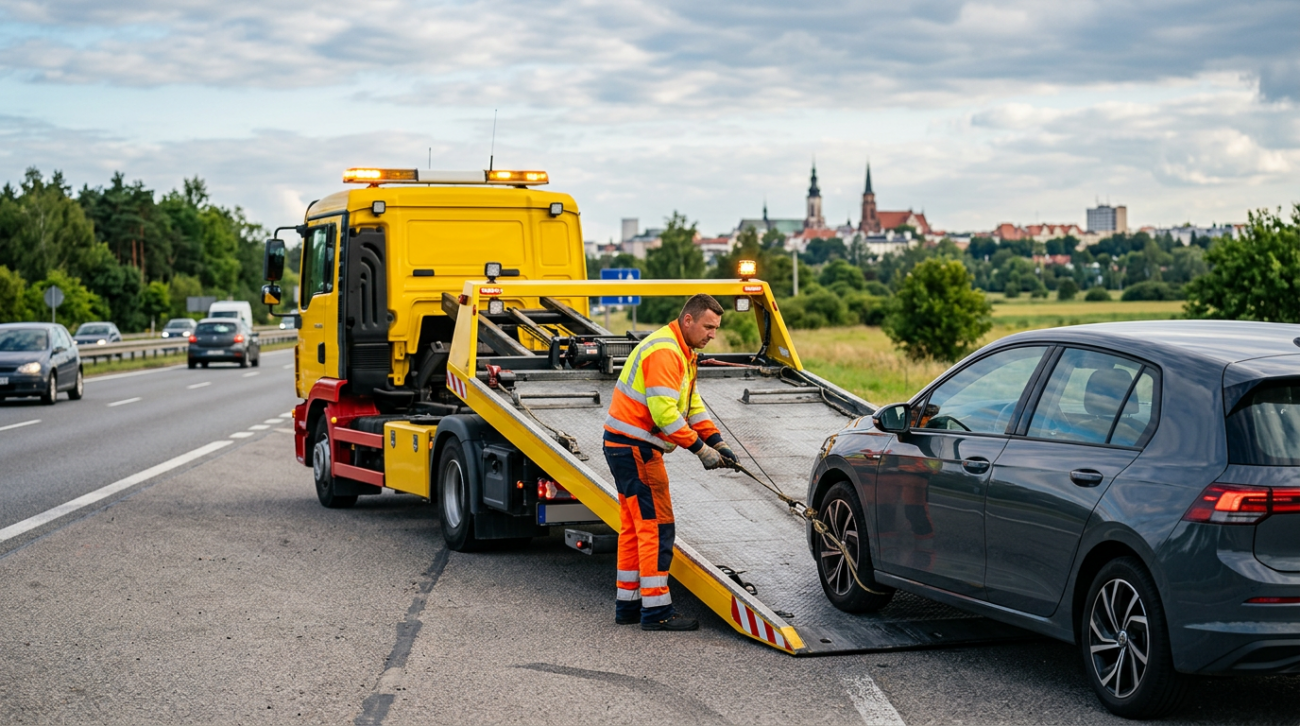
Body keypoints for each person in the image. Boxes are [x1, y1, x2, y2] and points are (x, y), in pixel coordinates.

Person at [603, 294, 738, 631]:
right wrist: (700, 449)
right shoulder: (666, 352)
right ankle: (656, 611)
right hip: (636, 449)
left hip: (624, 447)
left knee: (635, 529)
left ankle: (629, 606)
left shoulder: (684, 352)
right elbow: (665, 413)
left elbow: (691, 406)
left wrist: (717, 441)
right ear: (688, 321)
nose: (712, 334)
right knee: (657, 528)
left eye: (716, 328)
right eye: (708, 326)